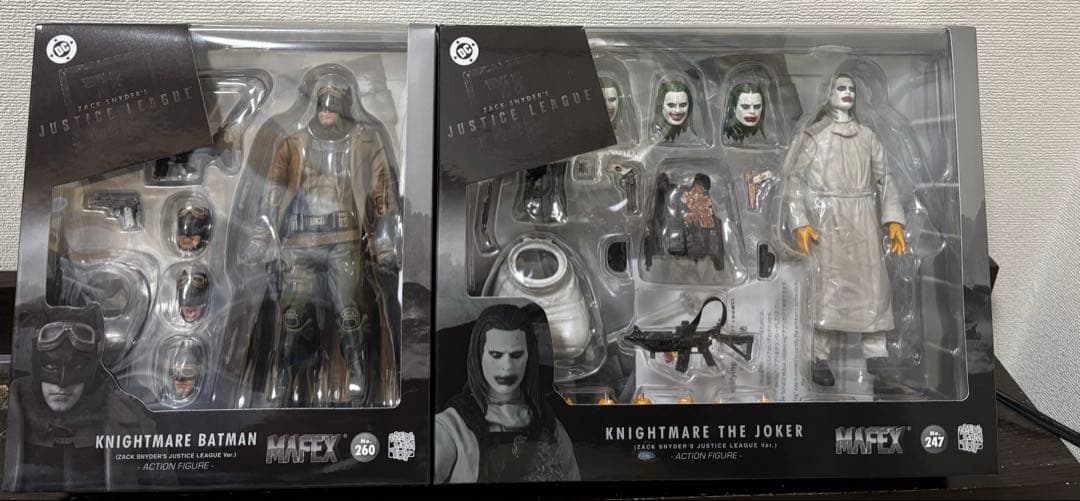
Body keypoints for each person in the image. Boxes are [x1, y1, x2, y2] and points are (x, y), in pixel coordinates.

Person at [240, 72, 400, 407]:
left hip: (344, 239)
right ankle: (283, 375)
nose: (326, 113)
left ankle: (357, 370)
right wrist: (261, 238)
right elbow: (271, 195)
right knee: (293, 317)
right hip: (300, 242)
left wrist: (385, 243)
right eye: (322, 107)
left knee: (350, 313)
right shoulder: (293, 143)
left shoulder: (364, 141)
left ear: (344, 108)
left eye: (333, 107)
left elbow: (383, 194)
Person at [783, 73, 907, 387]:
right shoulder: (813, 137)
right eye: (841, 88)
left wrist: (893, 220)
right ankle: (818, 355)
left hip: (863, 216)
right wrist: (801, 222)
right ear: (829, 93)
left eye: (851, 88)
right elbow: (794, 180)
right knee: (827, 287)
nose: (847, 93)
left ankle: (877, 353)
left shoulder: (868, 137)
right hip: (828, 221)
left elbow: (885, 178)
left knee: (873, 284)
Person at [3, 304, 160, 491]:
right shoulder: (10, 412)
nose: (62, 384)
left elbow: (165, 483)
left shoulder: (131, 417)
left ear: (91, 370)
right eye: (50, 366)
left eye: (77, 367)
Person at [434, 304, 579, 483]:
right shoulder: (451, 429)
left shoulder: (551, 426)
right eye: (496, 355)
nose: (507, 367)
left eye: (516, 355)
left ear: (529, 356)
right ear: (479, 355)